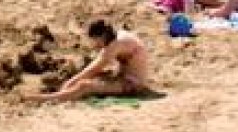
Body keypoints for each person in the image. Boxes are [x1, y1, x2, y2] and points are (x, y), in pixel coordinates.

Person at [22, 21, 154, 103]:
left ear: (102, 36)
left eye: (96, 40)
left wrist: (69, 83)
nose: (95, 44)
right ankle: (59, 94)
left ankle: (45, 98)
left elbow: (91, 70)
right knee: (91, 80)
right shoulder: (118, 37)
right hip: (126, 76)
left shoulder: (114, 46)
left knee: (84, 86)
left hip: (133, 84)